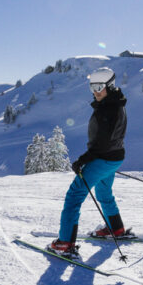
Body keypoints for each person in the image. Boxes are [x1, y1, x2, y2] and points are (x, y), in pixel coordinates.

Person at [46, 67, 129, 256]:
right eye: (92, 87)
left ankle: (64, 243)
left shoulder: (107, 109)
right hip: (114, 158)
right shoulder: (116, 103)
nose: (95, 91)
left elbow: (103, 143)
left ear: (110, 86)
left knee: (74, 196)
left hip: (103, 158)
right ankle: (115, 228)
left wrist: (83, 160)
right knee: (104, 193)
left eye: (99, 86)